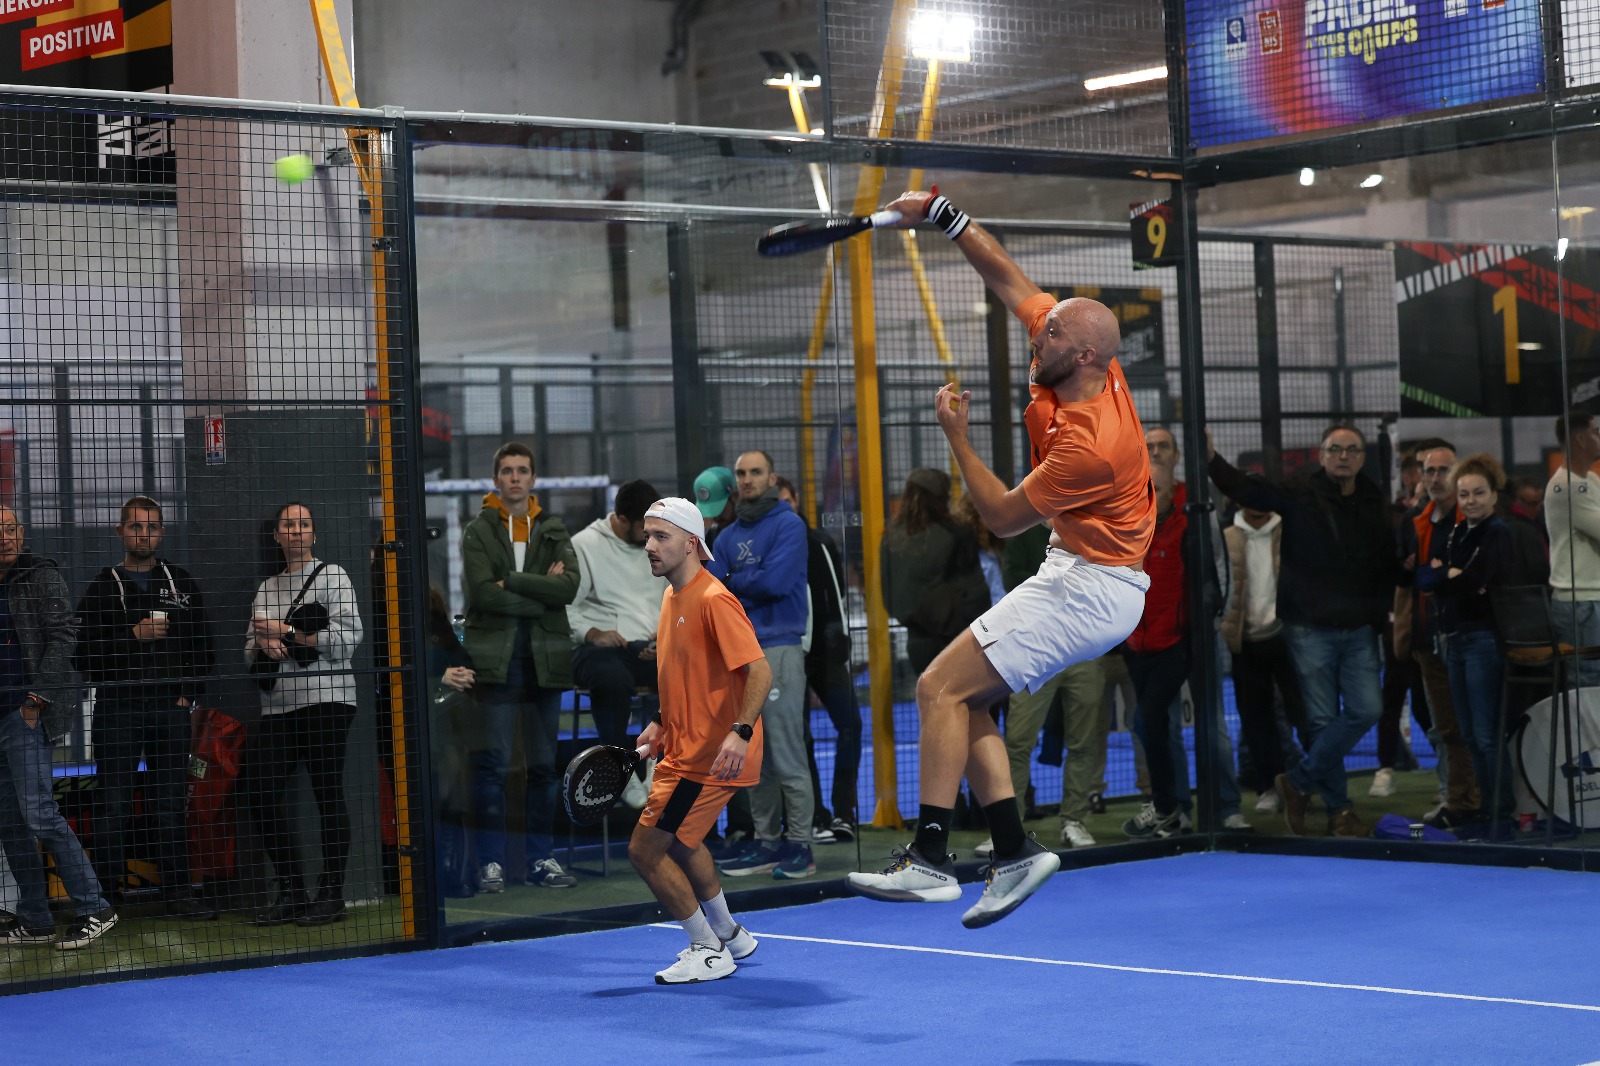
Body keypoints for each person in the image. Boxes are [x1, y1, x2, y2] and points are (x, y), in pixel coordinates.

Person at [846, 189, 1152, 927]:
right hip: (1079, 572)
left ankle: (927, 859)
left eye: (1044, 339)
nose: (1031, 338)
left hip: (1093, 589)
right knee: (967, 697)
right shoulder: (1079, 355)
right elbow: (1009, 278)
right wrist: (943, 213)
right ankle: (1013, 851)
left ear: (1080, 356)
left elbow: (1001, 518)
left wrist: (957, 437)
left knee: (936, 688)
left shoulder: (1090, 445)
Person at [1208, 424, 1398, 838]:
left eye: (1351, 449)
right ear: (1323, 454)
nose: (1343, 456)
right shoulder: (1299, 494)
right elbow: (1250, 492)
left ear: (1362, 458)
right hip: (1309, 630)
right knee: (1320, 721)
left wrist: (1381, 612)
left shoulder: (1373, 501)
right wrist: (1211, 461)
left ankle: (1298, 780)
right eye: (1335, 449)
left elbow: (1385, 559)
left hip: (1359, 628)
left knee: (1367, 709)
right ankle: (1339, 810)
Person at [629, 497, 769, 984]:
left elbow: (759, 671)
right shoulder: (671, 597)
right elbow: (684, 676)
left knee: (646, 851)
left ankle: (707, 949)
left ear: (692, 544)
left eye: (660, 536)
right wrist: (660, 721)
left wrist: (739, 731)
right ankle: (730, 933)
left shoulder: (713, 599)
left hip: (710, 758)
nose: (649, 545)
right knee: (685, 841)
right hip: (683, 749)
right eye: (647, 535)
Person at [75, 496, 217, 918]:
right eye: (136, 527)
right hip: (118, 709)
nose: (144, 534)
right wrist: (132, 636)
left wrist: (186, 696)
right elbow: (82, 657)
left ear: (162, 532)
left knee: (169, 802)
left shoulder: (181, 583)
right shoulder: (103, 586)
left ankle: (179, 894)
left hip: (168, 710)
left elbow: (204, 648)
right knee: (113, 804)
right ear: (120, 532)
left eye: (152, 526)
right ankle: (104, 899)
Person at [463, 442, 581, 893]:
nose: (515, 477)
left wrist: (510, 580)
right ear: (496, 479)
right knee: (492, 766)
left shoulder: (551, 528)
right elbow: (481, 593)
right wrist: (538, 597)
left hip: (545, 661)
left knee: (544, 768)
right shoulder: (478, 530)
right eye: (507, 471)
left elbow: (568, 588)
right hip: (497, 662)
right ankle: (491, 863)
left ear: (533, 479)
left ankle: (541, 859)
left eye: (522, 470)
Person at [0, 506, 117, 949]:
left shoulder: (41, 575)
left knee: (38, 812)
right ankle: (35, 917)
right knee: (10, 822)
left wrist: (37, 700)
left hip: (25, 713)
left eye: (10, 529)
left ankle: (95, 906)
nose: (4, 537)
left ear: (22, 533)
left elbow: (65, 637)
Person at [245, 501, 365, 925]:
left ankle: (330, 895)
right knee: (259, 794)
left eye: (304, 524)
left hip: (327, 700)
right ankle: (294, 891)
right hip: (278, 706)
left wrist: (290, 633)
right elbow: (248, 651)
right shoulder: (265, 588)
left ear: (314, 534)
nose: (295, 531)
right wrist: (263, 646)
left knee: (327, 792)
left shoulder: (333, 575)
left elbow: (349, 638)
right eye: (287, 525)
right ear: (276, 536)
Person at [709, 450, 816, 880]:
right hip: (741, 655)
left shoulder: (790, 525)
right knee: (755, 757)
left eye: (755, 472)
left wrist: (735, 581)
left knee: (788, 754)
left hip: (779, 650)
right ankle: (767, 843)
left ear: (771, 477)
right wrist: (737, 585)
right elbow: (714, 594)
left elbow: (773, 583)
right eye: (741, 473)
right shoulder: (725, 535)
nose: (748, 479)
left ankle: (802, 847)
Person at [1143, 426, 1247, 832]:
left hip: (1197, 634)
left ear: (1176, 453)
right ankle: (1179, 809)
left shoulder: (1197, 502)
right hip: (1152, 638)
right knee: (1161, 727)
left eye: (1163, 446)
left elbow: (1219, 564)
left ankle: (1226, 807)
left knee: (1213, 723)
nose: (1156, 452)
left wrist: (1215, 618)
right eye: (1149, 446)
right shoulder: (1130, 502)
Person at [996, 519, 1108, 850]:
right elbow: (1013, 580)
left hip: (1085, 649)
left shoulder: (1095, 527)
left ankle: (1074, 820)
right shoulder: (1024, 530)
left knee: (1083, 740)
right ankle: (1009, 830)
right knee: (1017, 741)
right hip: (1036, 649)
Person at [1418, 454, 1516, 833]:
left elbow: (1469, 582)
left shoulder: (1497, 533)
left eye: (1478, 493)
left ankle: (1501, 810)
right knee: (1470, 734)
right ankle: (1484, 807)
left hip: (1483, 641)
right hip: (1454, 641)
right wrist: (1450, 576)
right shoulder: (1459, 532)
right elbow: (1428, 577)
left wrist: (1449, 576)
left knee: (1487, 734)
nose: (1471, 500)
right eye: (1465, 494)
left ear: (1493, 496)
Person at [1120, 465, 1210, 839]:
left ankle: (1168, 807)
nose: (1151, 496)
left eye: (1157, 488)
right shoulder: (1126, 532)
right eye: (1145, 489)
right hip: (1134, 645)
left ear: (1175, 490)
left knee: (1149, 720)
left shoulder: (1189, 531)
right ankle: (1168, 808)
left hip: (1174, 645)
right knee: (1151, 724)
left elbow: (1204, 586)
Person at [567, 479, 667, 806]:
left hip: (650, 646)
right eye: (643, 529)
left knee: (682, 670)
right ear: (621, 520)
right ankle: (619, 765)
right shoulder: (583, 544)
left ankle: (659, 764)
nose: (649, 538)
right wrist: (594, 633)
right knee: (609, 678)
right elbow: (564, 608)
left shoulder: (660, 542)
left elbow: (676, 596)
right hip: (601, 650)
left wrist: (664, 635)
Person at [775, 476, 862, 843]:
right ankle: (813, 819)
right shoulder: (773, 549)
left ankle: (843, 814)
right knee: (799, 737)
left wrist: (838, 644)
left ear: (795, 499)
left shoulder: (818, 543)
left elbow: (835, 596)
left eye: (786, 499)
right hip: (791, 654)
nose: (783, 507)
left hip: (826, 655)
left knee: (851, 725)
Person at [1399, 443, 1479, 828]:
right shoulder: (1416, 521)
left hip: (1471, 636)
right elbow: (1413, 576)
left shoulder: (1476, 519)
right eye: (1428, 471)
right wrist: (1433, 572)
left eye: (1442, 470)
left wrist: (1437, 573)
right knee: (1443, 726)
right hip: (1429, 638)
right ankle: (1455, 799)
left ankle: (1479, 800)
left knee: (1475, 725)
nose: (1434, 478)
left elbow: (1468, 579)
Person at [1220, 488, 1309, 815]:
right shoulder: (1227, 535)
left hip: (1289, 639)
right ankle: (1269, 786)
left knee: (1305, 715)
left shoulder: (1290, 531)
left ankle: (1315, 780)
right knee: (1256, 720)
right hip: (1246, 643)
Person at [881, 467, 991, 673]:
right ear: (941, 496)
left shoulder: (891, 537)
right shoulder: (957, 531)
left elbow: (889, 594)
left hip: (917, 639)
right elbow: (975, 590)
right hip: (958, 638)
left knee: (932, 701)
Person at [425, 586, 476, 898]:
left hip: (448, 721)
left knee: (454, 784)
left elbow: (465, 662)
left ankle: (452, 865)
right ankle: (440, 866)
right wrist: (438, 675)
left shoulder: (441, 630)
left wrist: (459, 675)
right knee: (444, 780)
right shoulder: (393, 623)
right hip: (419, 722)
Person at [1546, 409, 1600, 686]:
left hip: (1592, 598)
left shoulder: (1589, 481)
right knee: (1588, 682)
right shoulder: (1565, 488)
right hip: (1581, 602)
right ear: (1580, 439)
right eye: (1596, 432)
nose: (1599, 438)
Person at [693, 466, 737, 550]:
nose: (716, 517)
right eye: (709, 511)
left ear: (735, 496)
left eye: (720, 509)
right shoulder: (711, 537)